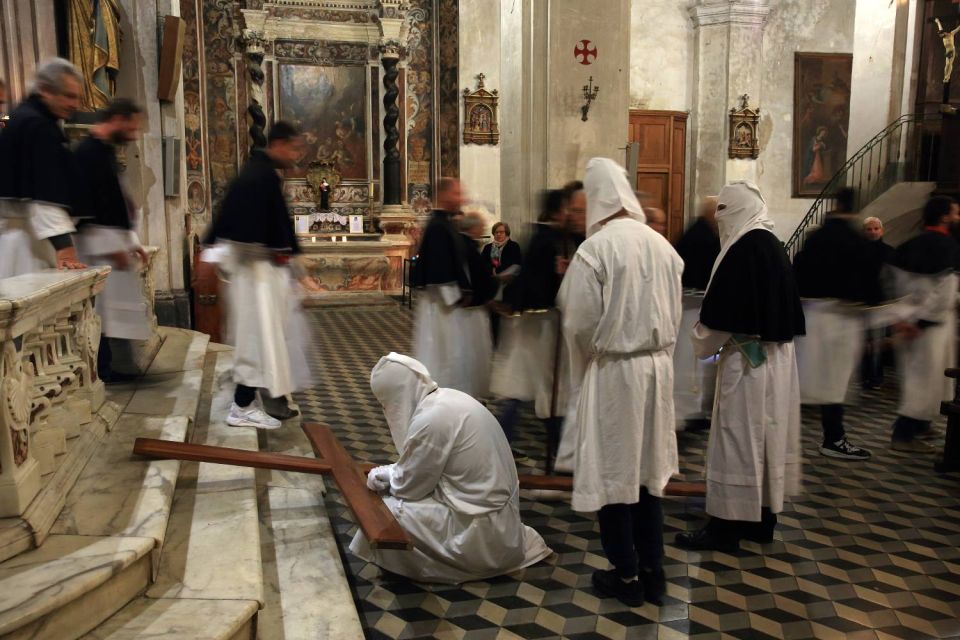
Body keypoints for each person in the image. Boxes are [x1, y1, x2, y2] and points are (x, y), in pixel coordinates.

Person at [557, 158, 683, 607]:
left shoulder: (596, 249)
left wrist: (589, 360)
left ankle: (624, 574)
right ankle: (654, 568)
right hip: (656, 371)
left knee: (614, 473)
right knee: (647, 474)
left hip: (615, 373)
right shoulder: (663, 246)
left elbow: (577, 322)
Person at [675, 181, 805, 552]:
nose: (721, 229)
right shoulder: (771, 243)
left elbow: (721, 320)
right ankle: (762, 519)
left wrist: (697, 341)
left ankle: (726, 526)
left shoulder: (745, 249)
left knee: (737, 439)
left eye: (723, 219)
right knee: (766, 441)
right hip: (776, 361)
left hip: (748, 363)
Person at [355, 353, 552, 584]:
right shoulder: (448, 398)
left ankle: (431, 567)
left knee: (384, 512)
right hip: (498, 520)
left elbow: (410, 488)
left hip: (477, 532)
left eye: (386, 403)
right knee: (384, 498)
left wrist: (386, 475)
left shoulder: (430, 419)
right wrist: (391, 473)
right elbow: (426, 468)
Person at [204, 121, 312, 429]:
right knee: (257, 339)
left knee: (269, 338)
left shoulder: (261, 173)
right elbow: (240, 228)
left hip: (262, 273)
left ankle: (272, 397)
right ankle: (241, 406)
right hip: (256, 275)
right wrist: (284, 257)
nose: (296, 156)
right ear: (278, 144)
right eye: (294, 149)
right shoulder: (259, 176)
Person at [792, 188, 884, 460]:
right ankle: (833, 438)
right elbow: (869, 285)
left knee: (808, 380)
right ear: (854, 210)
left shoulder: (815, 237)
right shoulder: (854, 241)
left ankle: (782, 435)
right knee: (833, 383)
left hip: (811, 314)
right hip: (840, 319)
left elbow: (798, 272)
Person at [74, 98, 150, 383]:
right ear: (118, 118)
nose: (134, 134)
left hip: (112, 243)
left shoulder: (103, 151)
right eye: (132, 127)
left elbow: (117, 201)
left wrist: (130, 242)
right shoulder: (87, 152)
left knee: (117, 310)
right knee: (103, 313)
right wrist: (110, 249)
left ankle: (121, 368)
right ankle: (107, 371)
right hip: (97, 247)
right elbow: (87, 210)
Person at [491, 190, 571, 450]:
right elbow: (542, 283)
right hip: (538, 321)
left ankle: (552, 440)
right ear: (558, 211)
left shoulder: (545, 236)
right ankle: (554, 442)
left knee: (530, 384)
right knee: (536, 383)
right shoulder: (548, 240)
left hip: (532, 319)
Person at [0, 58, 86, 278]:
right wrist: (65, 248)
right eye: (69, 96)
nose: (75, 104)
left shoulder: (27, 117)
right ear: (46, 90)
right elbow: (45, 194)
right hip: (26, 240)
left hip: (23, 234)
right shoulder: (37, 125)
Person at [888, 196, 960, 452]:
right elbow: (945, 292)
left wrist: (901, 317)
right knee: (923, 380)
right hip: (930, 325)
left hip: (908, 318)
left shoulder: (909, 244)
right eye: (955, 213)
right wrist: (922, 321)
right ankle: (903, 434)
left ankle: (920, 424)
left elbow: (895, 284)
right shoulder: (949, 247)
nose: (957, 217)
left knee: (917, 377)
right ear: (944, 217)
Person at [412, 178, 491, 397]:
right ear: (445, 195)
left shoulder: (446, 224)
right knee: (442, 354)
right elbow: (438, 268)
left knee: (452, 354)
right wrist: (457, 297)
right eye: (457, 194)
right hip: (441, 305)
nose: (462, 199)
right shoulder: (438, 226)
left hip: (448, 304)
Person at [673, 196, 721, 432]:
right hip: (693, 308)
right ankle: (688, 411)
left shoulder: (699, 233)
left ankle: (694, 410)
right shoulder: (702, 238)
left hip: (695, 308)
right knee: (690, 363)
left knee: (697, 364)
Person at [861, 216, 895, 388]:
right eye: (869, 229)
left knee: (876, 342)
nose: (873, 232)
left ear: (881, 230)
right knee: (862, 342)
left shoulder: (889, 252)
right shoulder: (858, 251)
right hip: (861, 303)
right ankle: (863, 375)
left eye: (876, 229)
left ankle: (875, 376)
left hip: (880, 303)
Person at [481, 221, 522, 344]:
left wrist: (498, 270)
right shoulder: (488, 248)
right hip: (492, 285)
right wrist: (492, 271)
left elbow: (515, 263)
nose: (499, 235)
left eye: (501, 232)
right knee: (493, 317)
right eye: (496, 232)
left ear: (507, 233)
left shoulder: (513, 246)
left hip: (507, 285)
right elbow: (482, 264)